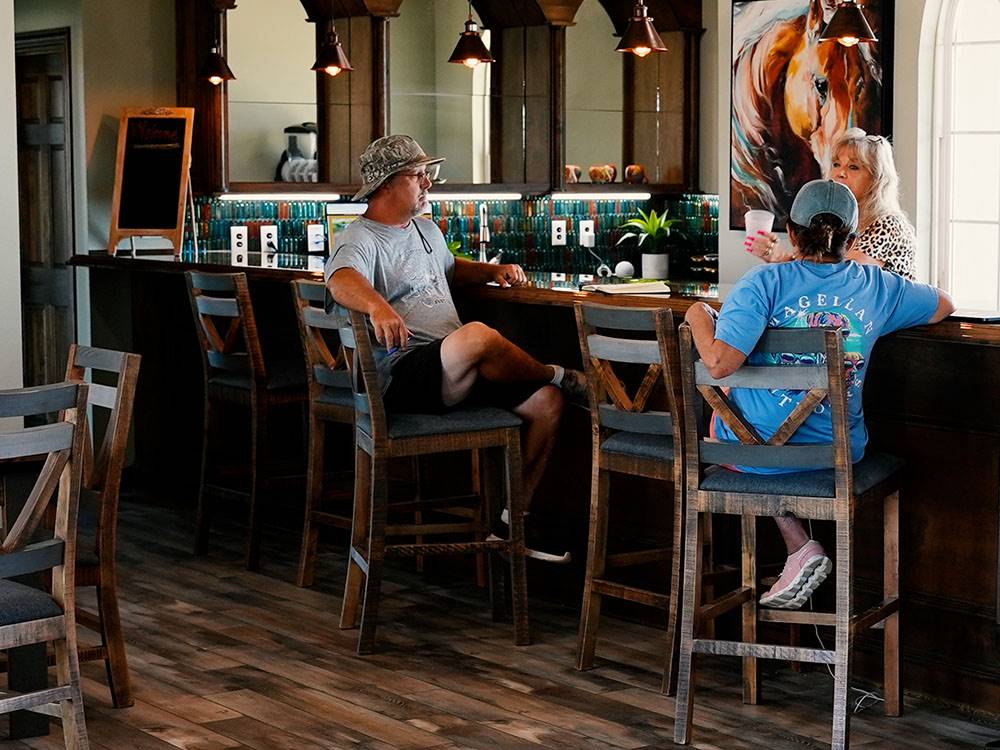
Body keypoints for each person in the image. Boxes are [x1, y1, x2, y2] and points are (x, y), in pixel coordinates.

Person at [687, 179, 954, 608]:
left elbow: (719, 363)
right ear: (851, 239)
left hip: (754, 454)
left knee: (723, 427)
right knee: (754, 438)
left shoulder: (763, 284)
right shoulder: (877, 286)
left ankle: (798, 545)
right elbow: (945, 304)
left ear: (791, 234)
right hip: (839, 451)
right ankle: (798, 548)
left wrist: (697, 312)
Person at [325, 134, 585, 563]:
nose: (429, 183)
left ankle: (509, 526)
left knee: (547, 404)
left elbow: (450, 270)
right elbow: (339, 279)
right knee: (478, 335)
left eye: (429, 175)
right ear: (388, 184)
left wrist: (492, 271)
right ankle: (562, 373)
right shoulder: (360, 237)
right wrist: (378, 307)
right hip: (405, 374)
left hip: (450, 370)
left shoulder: (426, 229)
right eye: (419, 176)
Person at [747, 128, 917, 279]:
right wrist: (778, 257)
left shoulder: (888, 224)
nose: (840, 173)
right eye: (836, 164)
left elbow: (841, 277)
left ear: (877, 179)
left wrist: (781, 258)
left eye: (854, 167)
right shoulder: (840, 221)